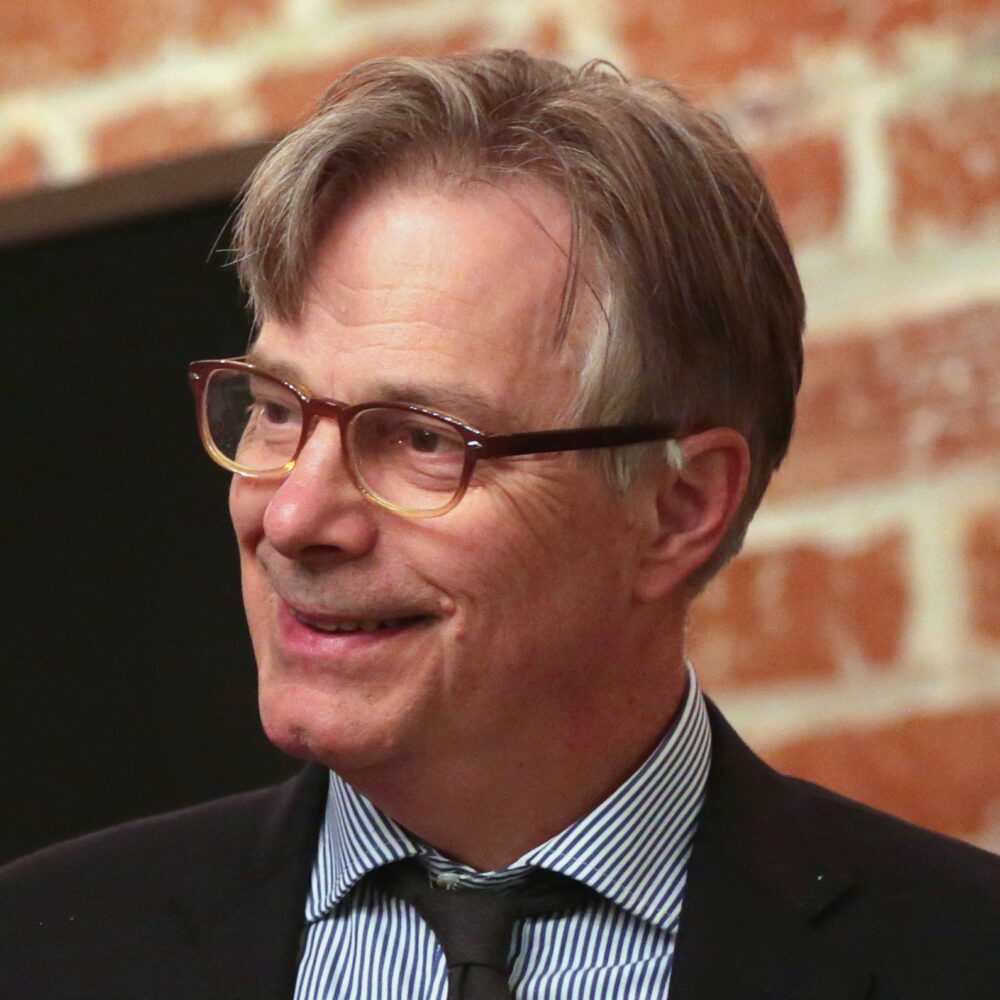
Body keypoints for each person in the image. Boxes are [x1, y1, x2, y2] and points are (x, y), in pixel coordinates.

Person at [1, 49, 996, 1000]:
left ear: (677, 508)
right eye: (274, 408)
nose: (296, 515)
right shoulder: (42, 947)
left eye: (423, 439)